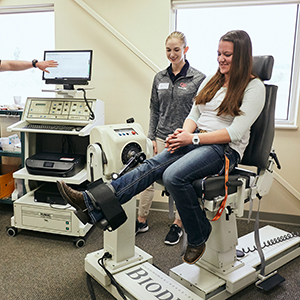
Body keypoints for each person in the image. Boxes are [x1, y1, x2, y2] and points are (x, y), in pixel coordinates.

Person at [57, 30, 265, 265]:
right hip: (196, 138)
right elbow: (194, 112)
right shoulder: (213, 80)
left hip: (223, 149)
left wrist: (192, 139)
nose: (221, 59)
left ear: (243, 56)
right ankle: (91, 201)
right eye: (219, 53)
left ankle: (198, 234)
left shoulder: (254, 87)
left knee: (173, 176)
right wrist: (186, 132)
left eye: (227, 55)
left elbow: (235, 132)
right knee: (151, 165)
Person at [136, 31, 206, 246]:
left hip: (185, 139)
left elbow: (201, 113)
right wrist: (151, 139)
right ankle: (141, 220)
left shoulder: (198, 79)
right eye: (169, 50)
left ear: (185, 49)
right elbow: (154, 109)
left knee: (177, 179)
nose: (172, 54)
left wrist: (193, 138)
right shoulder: (160, 77)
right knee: (148, 176)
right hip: (160, 135)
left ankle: (178, 224)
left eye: (177, 49)